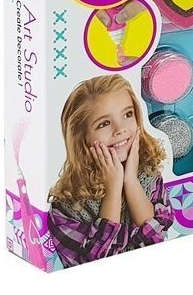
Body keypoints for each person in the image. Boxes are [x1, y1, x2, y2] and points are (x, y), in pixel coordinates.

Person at [48, 75, 173, 267]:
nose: (120, 129)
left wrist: (130, 180)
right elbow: (99, 261)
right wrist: (113, 189)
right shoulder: (66, 205)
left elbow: (155, 238)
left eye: (128, 114)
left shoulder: (148, 174)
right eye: (104, 124)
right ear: (81, 138)